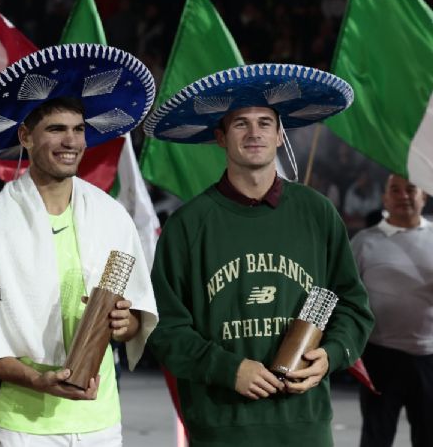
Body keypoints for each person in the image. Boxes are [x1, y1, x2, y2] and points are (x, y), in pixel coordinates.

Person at [0, 44, 159, 446]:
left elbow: (137, 317)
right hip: (23, 426)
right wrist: (38, 379)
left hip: (101, 421)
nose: (70, 141)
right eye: (56, 129)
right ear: (26, 137)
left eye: (78, 129)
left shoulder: (112, 218)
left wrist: (127, 324)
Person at [142, 63, 375, 446]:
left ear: (281, 135)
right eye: (240, 124)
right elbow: (164, 327)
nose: (254, 133)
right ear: (220, 137)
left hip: (305, 426)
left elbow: (353, 305)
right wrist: (227, 369)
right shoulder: (188, 224)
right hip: (220, 427)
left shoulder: (317, 213)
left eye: (265, 123)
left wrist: (331, 355)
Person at [353, 174, 432, 447]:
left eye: (411, 189)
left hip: (429, 357)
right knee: (376, 436)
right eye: (395, 190)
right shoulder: (364, 242)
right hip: (379, 356)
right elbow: (346, 296)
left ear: (424, 196)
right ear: (385, 198)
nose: (403, 196)